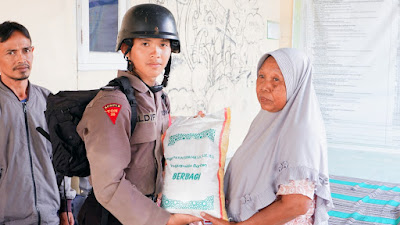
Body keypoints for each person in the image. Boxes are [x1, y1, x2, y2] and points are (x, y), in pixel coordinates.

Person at [76, 4, 202, 225]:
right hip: (112, 216)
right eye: (145, 44)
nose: (156, 53)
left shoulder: (160, 97)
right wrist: (163, 220)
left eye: (163, 44)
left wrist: (195, 127)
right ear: (127, 49)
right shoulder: (113, 103)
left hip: (146, 210)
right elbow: (109, 184)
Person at [201, 48, 333, 224]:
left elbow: (297, 205)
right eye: (261, 76)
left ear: (296, 83)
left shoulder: (301, 131)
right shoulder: (267, 119)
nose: (264, 86)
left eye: (276, 79)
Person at [0, 21, 75, 225]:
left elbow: (61, 159)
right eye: (11, 52)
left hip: (50, 216)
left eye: (26, 50)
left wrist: (65, 206)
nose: (21, 58)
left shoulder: (48, 101)